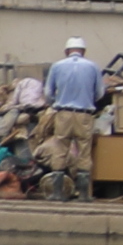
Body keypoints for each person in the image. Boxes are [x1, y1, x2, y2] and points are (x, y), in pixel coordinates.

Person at [37, 35, 106, 203]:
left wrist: (56, 103)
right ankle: (83, 195)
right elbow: (100, 93)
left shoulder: (57, 66)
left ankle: (57, 193)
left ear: (67, 51)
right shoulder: (93, 67)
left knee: (60, 149)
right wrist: (88, 101)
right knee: (84, 151)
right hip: (84, 114)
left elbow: (48, 93)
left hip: (63, 113)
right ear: (83, 51)